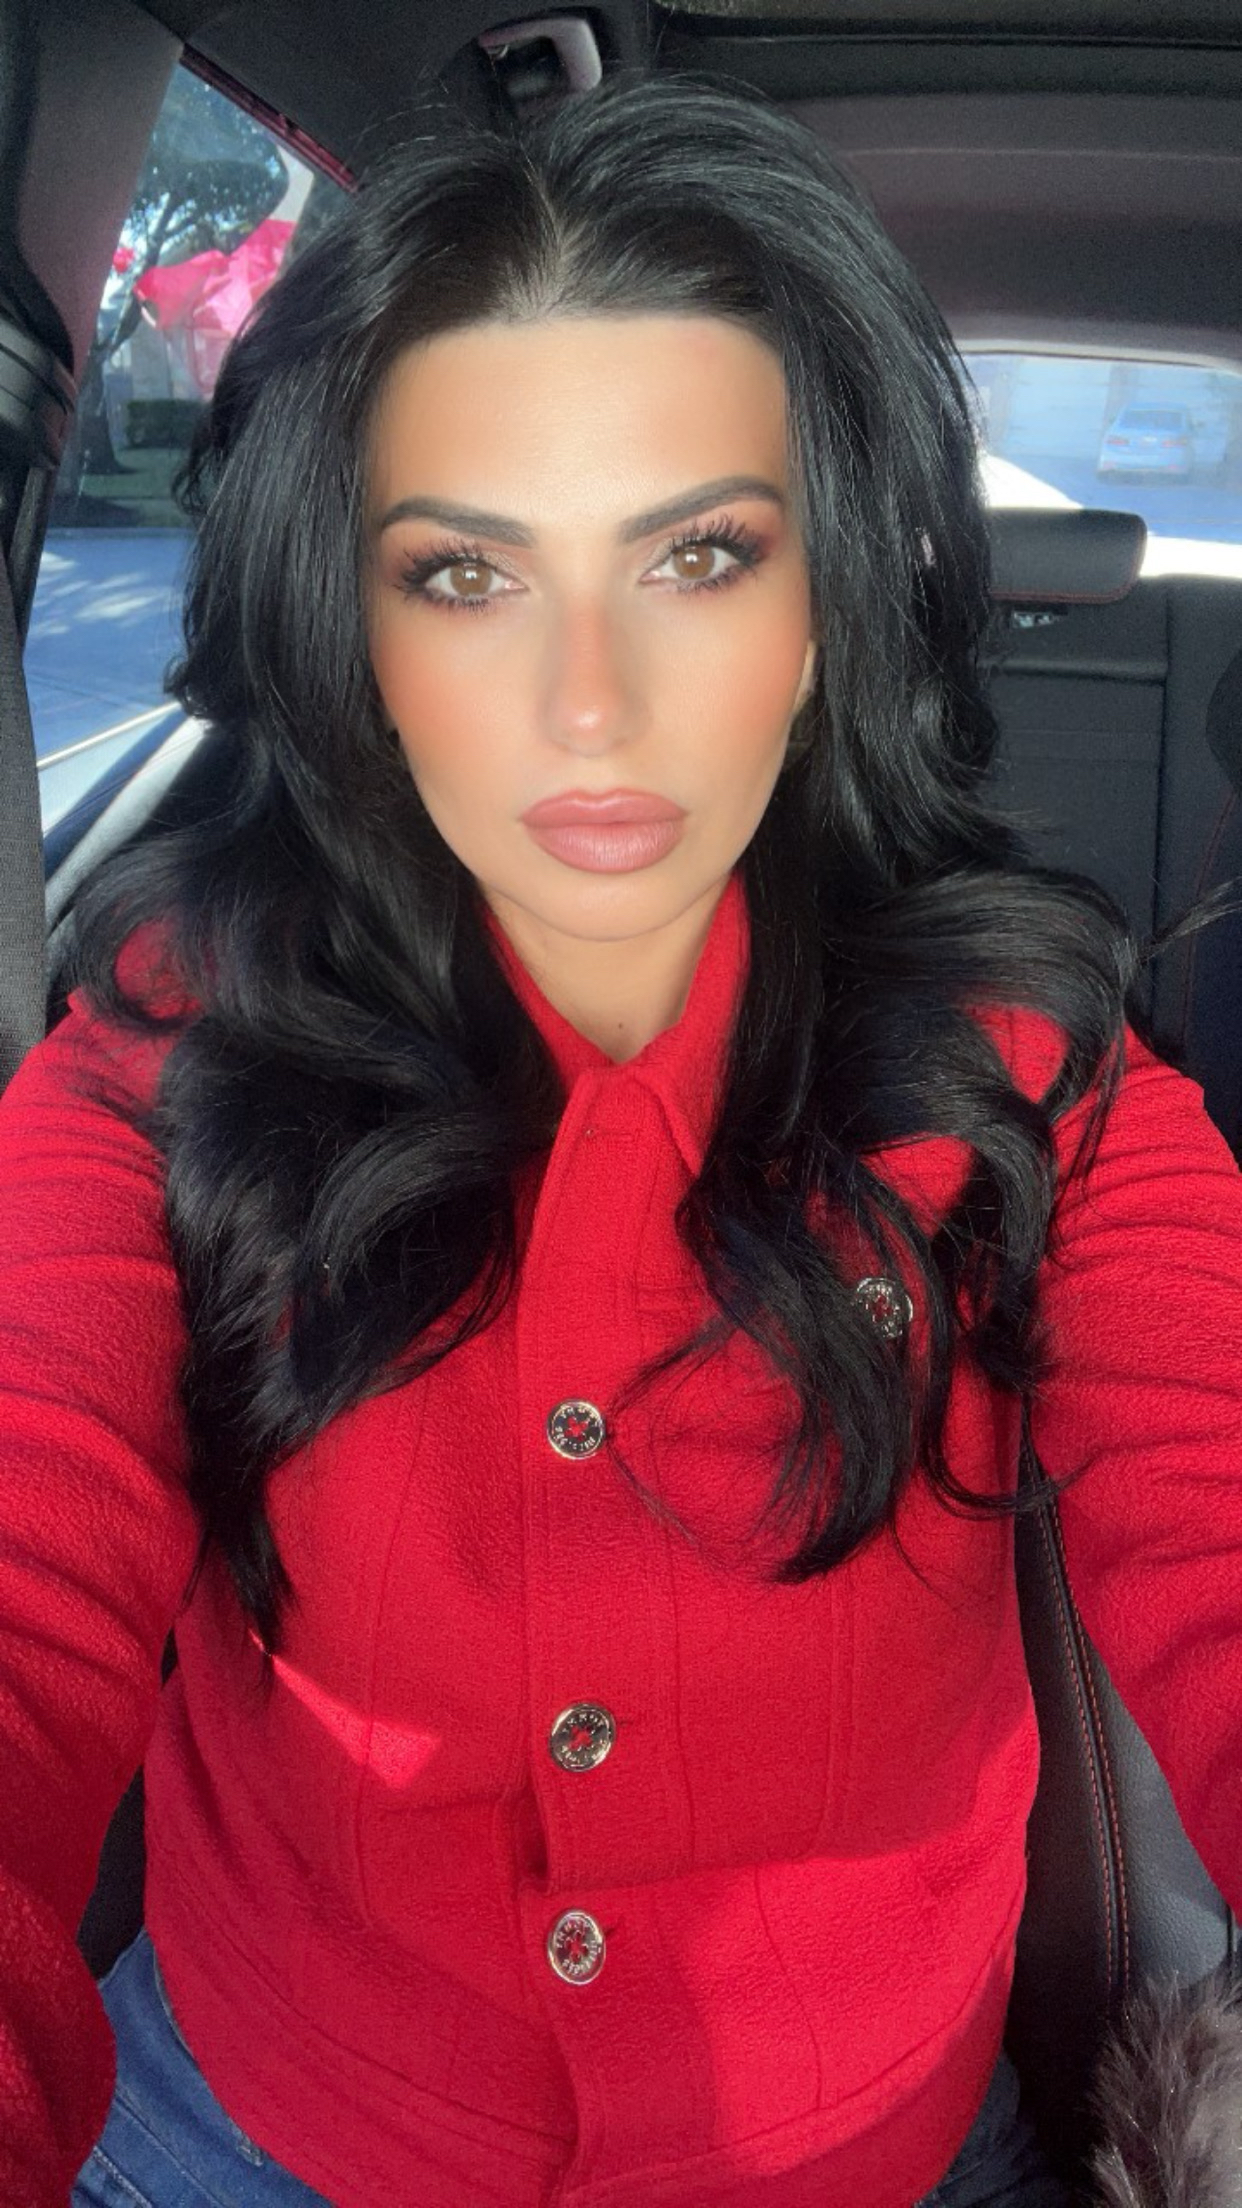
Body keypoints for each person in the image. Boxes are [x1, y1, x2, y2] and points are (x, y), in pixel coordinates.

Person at [1, 67, 1240, 2208]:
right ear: (353, 633)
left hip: (886, 2144)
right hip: (251, 2125)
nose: (589, 704)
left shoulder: (1041, 1073)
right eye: (465, 574)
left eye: (697, 554)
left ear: (825, 609)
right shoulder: (160, 1060)